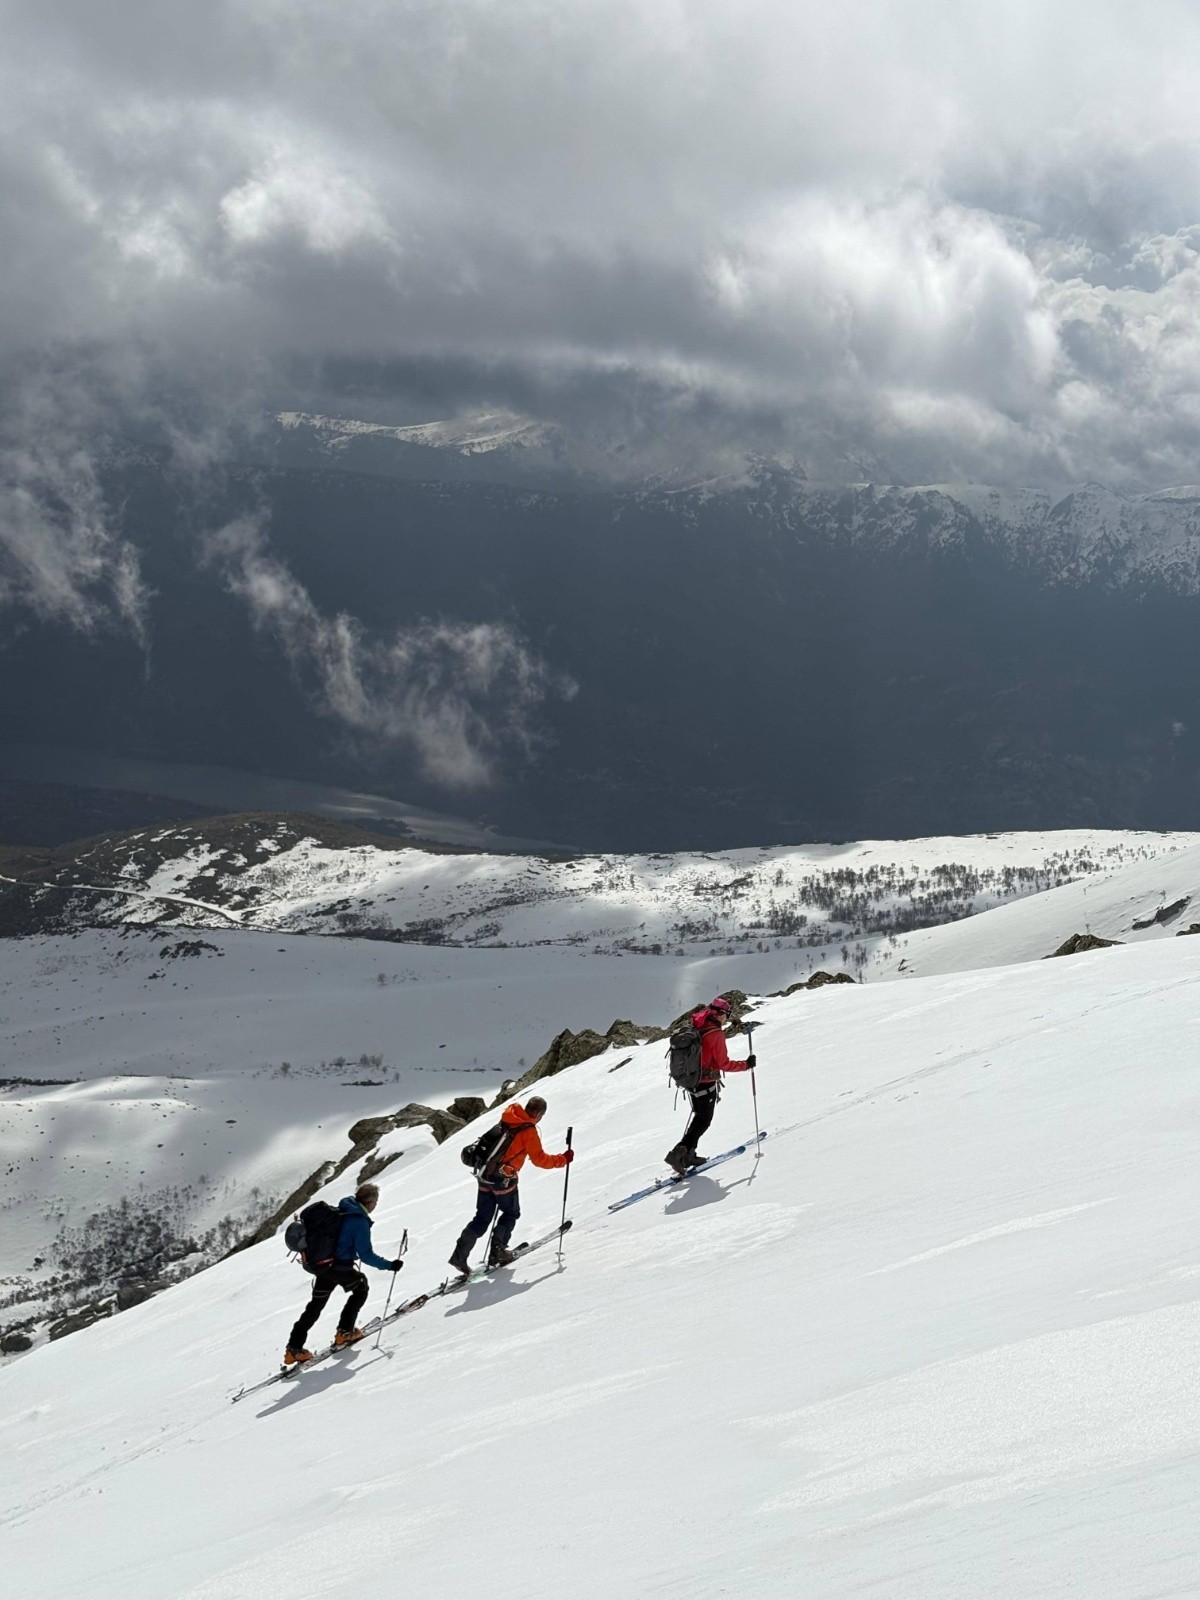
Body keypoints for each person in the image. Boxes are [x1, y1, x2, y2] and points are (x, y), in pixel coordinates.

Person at [448, 1095, 573, 1275]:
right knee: (511, 1212)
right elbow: (540, 1160)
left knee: (482, 1218)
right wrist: (563, 1159)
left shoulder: (510, 1116)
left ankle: (459, 1256)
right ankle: (498, 1252)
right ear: (538, 1113)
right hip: (503, 1179)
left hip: (484, 1175)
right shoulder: (528, 1131)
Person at [284, 1182, 403, 1366]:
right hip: (337, 1266)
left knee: (316, 1305)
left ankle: (294, 1348)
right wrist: (389, 1265)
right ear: (370, 1202)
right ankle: (345, 1332)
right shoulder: (359, 1221)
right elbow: (366, 1255)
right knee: (361, 1288)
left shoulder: (345, 1207)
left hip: (323, 1265)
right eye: (376, 1201)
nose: (376, 1205)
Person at [665, 995, 754, 1175]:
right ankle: (680, 1152)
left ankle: (688, 1154)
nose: (727, 1018)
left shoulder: (698, 1025)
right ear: (721, 1014)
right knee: (704, 1120)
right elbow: (723, 1063)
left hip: (691, 1080)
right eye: (727, 1014)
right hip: (706, 1082)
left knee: (699, 1117)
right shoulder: (715, 1034)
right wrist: (746, 1065)